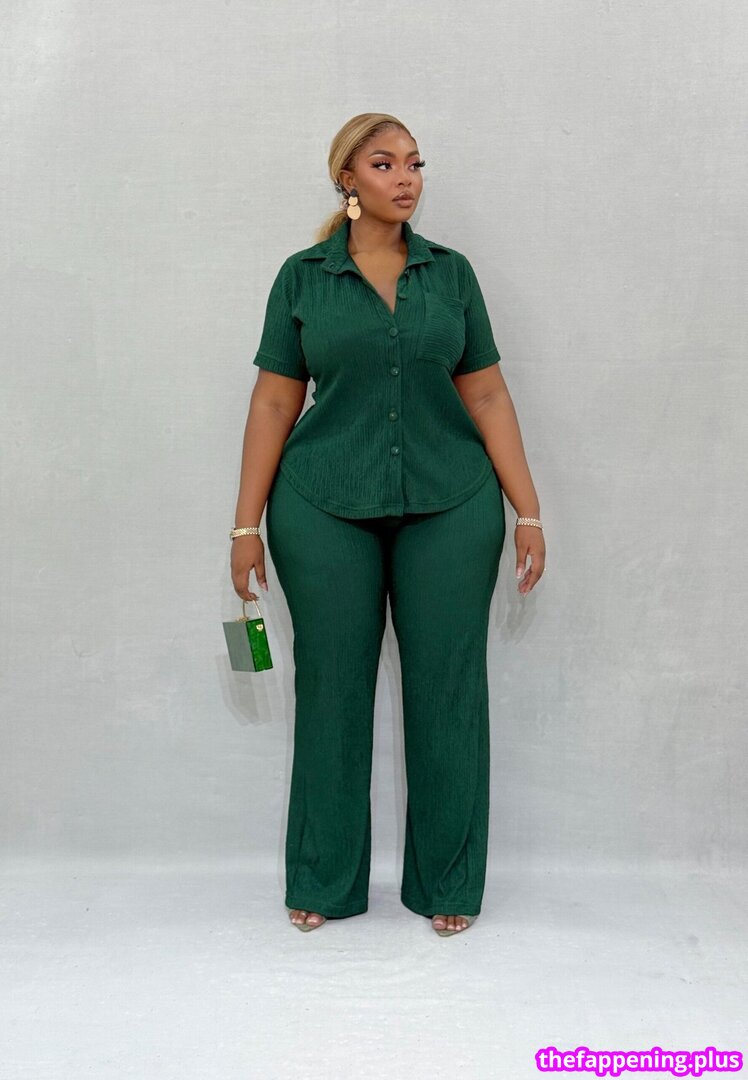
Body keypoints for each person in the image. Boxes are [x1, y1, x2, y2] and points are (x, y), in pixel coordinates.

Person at [230, 112, 545, 937]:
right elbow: (273, 403)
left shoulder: (452, 275)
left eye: (414, 164)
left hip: (452, 503)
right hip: (321, 504)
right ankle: (323, 879)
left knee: (448, 692)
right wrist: (244, 528)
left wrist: (528, 509)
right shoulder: (303, 278)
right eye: (384, 163)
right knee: (330, 690)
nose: (405, 178)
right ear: (347, 179)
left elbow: (487, 394)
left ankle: (447, 882)